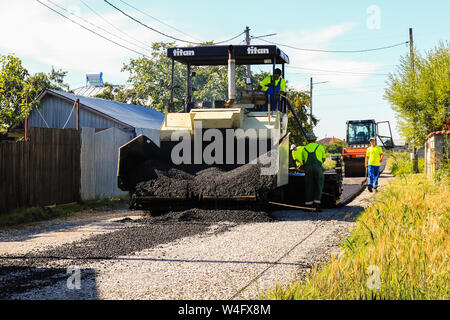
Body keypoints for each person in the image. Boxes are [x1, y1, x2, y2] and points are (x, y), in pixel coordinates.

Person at [301, 132, 326, 211]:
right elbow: (323, 159)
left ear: (307, 140)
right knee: (319, 185)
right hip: (318, 169)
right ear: (315, 139)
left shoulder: (304, 149)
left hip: (308, 169)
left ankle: (308, 205)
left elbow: (304, 161)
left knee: (309, 186)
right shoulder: (320, 147)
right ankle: (317, 205)